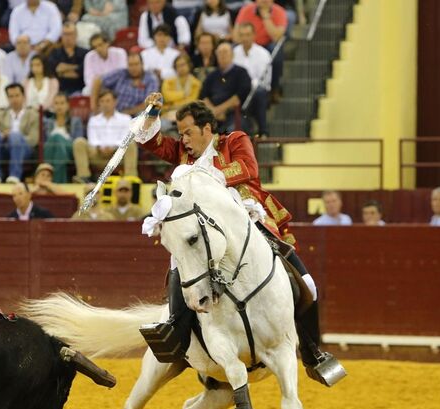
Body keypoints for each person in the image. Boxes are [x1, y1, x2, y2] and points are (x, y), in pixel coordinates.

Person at [136, 93, 345, 386]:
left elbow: (248, 169)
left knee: (307, 284)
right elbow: (150, 142)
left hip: (244, 221)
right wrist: (151, 114)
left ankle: (312, 352)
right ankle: (177, 332)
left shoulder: (234, 140)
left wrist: (198, 177)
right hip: (205, 232)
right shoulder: (185, 155)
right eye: (180, 134)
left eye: (188, 133)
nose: (183, 140)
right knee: (180, 266)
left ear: (207, 129)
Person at [74, 89, 138, 178]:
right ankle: (83, 177)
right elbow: (92, 139)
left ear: (115, 102)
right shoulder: (94, 120)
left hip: (118, 153)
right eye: (102, 101)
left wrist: (113, 147)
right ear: (99, 103)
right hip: (98, 153)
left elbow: (126, 138)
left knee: (131, 143)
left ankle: (130, 178)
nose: (105, 104)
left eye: (108, 101)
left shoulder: (126, 119)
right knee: (79, 142)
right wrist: (101, 148)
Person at [0, 83, 40, 183]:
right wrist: (3, 136)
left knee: (15, 135)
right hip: (3, 147)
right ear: (7, 98)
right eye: (11, 96)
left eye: (17, 95)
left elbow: (33, 139)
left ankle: (14, 175)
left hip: (24, 149)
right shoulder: (0, 116)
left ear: (23, 97)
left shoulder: (33, 115)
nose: (14, 99)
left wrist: (15, 137)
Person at [199, 42, 251, 133]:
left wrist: (218, 110)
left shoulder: (241, 72)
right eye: (220, 52)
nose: (222, 55)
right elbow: (203, 95)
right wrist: (213, 112)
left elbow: (239, 97)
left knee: (232, 132)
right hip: (212, 115)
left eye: (225, 52)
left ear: (232, 54)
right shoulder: (212, 75)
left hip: (233, 113)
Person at [233, 22, 271, 136]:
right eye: (242, 35)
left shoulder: (263, 54)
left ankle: (263, 131)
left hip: (257, 91)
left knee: (259, 93)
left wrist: (248, 85)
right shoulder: (234, 53)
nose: (245, 38)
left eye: (248, 35)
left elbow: (265, 81)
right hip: (238, 91)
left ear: (254, 35)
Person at [92, 52, 158, 116]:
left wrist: (124, 114)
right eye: (130, 65)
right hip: (113, 111)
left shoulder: (151, 79)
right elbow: (98, 81)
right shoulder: (121, 73)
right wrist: (94, 106)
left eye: (136, 64)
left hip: (135, 115)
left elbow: (149, 103)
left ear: (142, 64)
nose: (133, 68)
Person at [43, 92, 86, 183]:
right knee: (55, 141)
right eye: (56, 103)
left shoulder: (75, 121)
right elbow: (46, 142)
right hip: (52, 150)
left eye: (62, 103)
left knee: (57, 138)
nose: (59, 106)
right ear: (53, 106)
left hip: (69, 149)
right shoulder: (48, 122)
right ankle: (60, 182)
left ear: (67, 105)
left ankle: (52, 181)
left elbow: (78, 141)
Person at [47, 22, 88, 96]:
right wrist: (77, 67)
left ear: (76, 35)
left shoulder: (85, 53)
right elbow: (57, 70)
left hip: (80, 90)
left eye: (70, 34)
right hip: (58, 91)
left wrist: (63, 72)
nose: (68, 37)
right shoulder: (54, 53)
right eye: (65, 34)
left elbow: (81, 73)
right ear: (61, 36)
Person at [161, 54, 201, 122]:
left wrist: (174, 105)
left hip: (188, 114)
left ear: (189, 65)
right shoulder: (168, 82)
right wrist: (184, 94)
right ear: (175, 68)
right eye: (178, 66)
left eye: (183, 64)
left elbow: (191, 101)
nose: (181, 68)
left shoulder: (196, 83)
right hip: (168, 113)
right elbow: (167, 97)